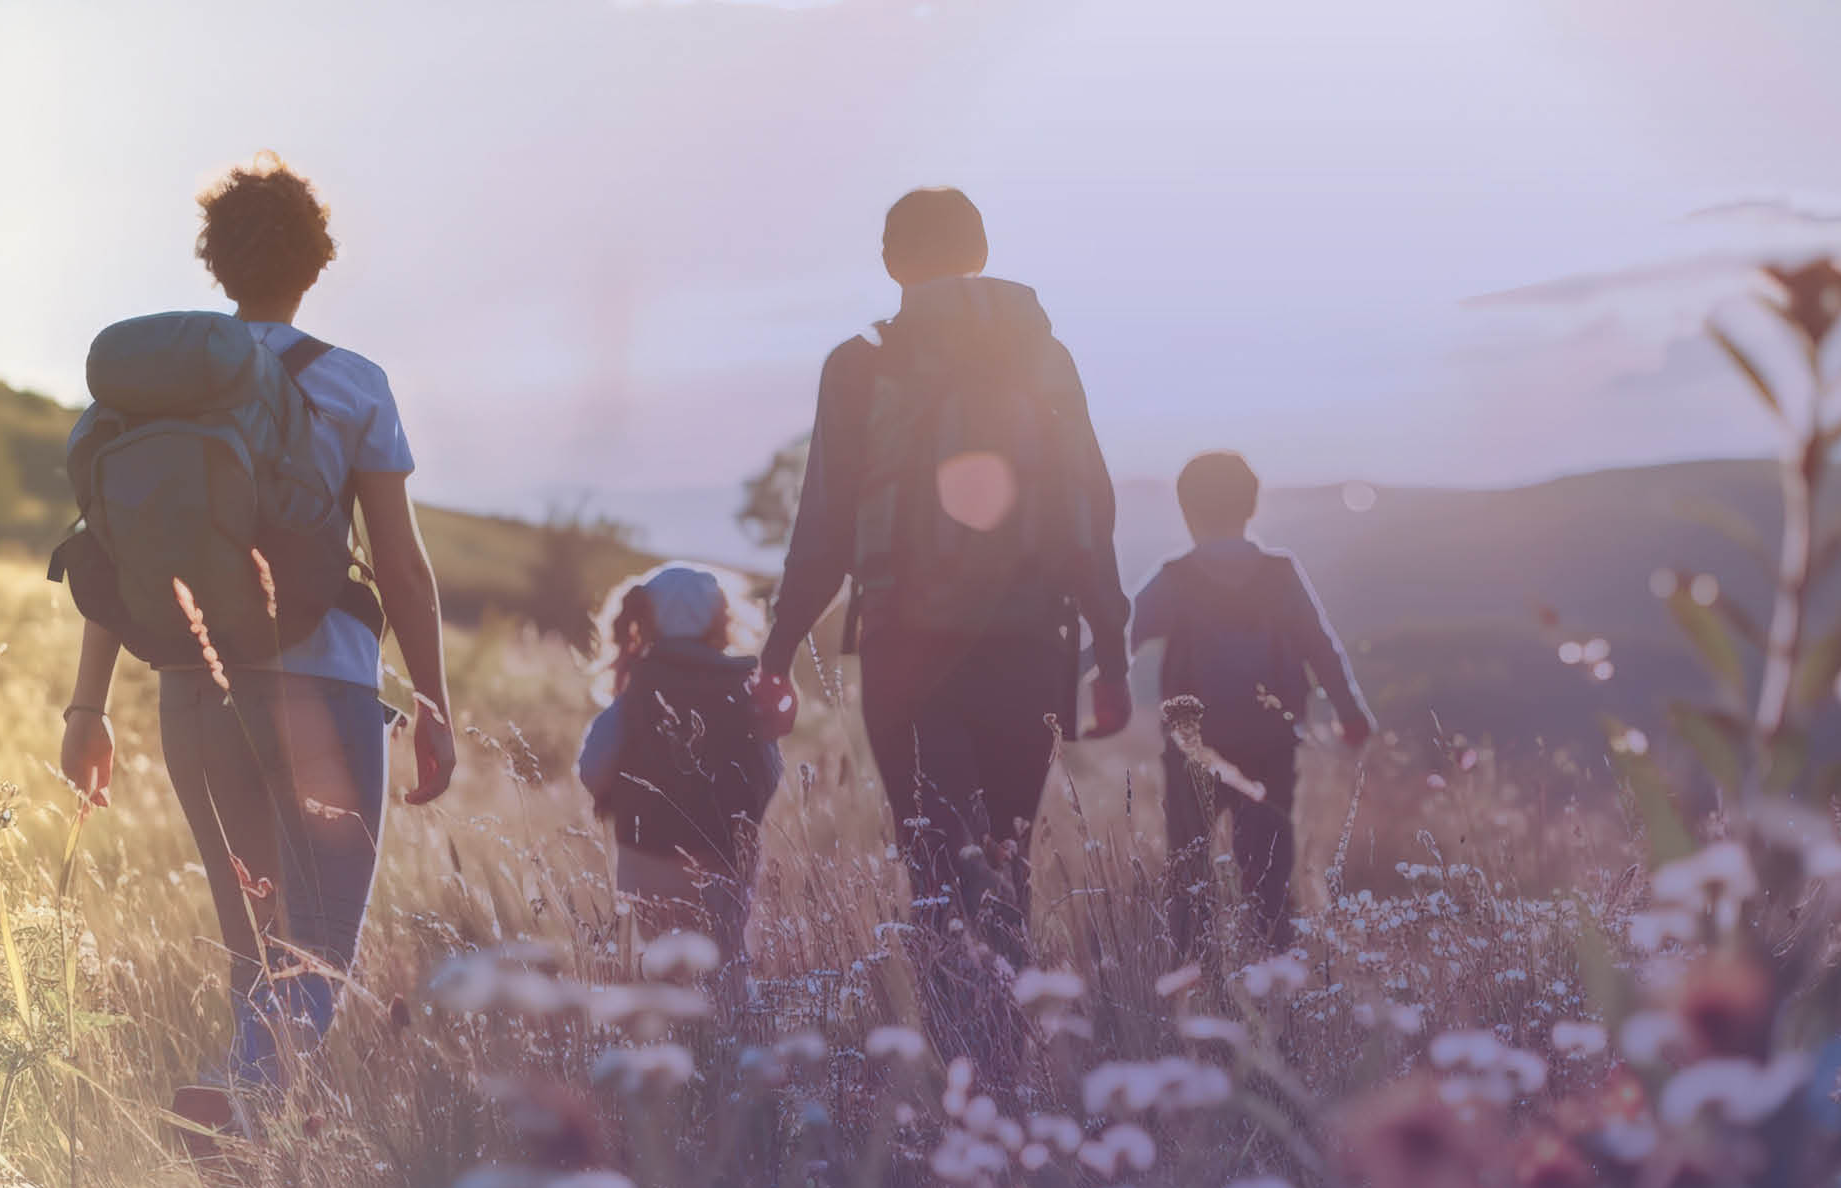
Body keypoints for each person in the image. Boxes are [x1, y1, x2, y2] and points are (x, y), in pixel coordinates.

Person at [58, 155, 455, 1141]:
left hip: (191, 691)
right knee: (314, 954)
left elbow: (119, 551)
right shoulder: (353, 384)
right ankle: (235, 1101)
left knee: (258, 956)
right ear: (315, 264)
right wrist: (435, 704)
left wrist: (87, 707)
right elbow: (401, 568)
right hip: (323, 689)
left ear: (216, 262)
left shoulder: (151, 397)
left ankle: (242, 1184)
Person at [755, 187, 1132, 970]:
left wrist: (777, 655)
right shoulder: (1044, 357)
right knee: (1004, 863)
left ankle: (958, 1037)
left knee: (937, 868)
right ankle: (1009, 1033)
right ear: (982, 255)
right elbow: (1090, 508)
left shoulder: (860, 365)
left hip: (909, 647)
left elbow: (824, 526)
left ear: (890, 262)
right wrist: (1113, 656)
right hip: (1035, 643)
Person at [1130, 450, 1370, 952]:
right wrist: (1350, 711)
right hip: (1269, 741)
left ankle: (1194, 971)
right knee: (1268, 873)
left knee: (1189, 870)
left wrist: (1069, 673)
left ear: (1186, 510)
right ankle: (1273, 969)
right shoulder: (1281, 573)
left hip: (1192, 747)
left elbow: (1121, 639)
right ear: (1252, 505)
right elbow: (1320, 645)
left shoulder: (1175, 578)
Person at [578, 564, 781, 955]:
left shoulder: (638, 691)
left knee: (659, 962)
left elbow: (593, 769)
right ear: (721, 618)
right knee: (723, 960)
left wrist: (623, 796)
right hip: (725, 858)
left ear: (646, 619)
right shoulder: (741, 691)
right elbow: (768, 772)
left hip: (644, 856)